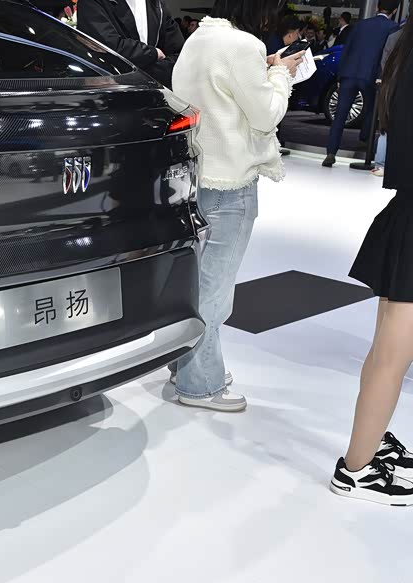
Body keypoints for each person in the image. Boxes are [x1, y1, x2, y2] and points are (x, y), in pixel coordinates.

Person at [169, 0, 304, 411]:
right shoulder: (243, 45)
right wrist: (280, 75)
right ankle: (199, 385)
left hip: (195, 178)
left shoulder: (199, 38)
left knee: (193, 285)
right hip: (231, 184)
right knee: (214, 292)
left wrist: (265, 67)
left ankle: (185, 366)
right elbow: (266, 116)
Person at [330, 17, 413, 506]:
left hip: (406, 212)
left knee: (386, 350)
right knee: (392, 357)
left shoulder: (405, 51)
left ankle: (370, 440)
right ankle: (357, 469)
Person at [322, 0, 399, 168]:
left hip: (349, 73)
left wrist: (340, 75)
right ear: (394, 11)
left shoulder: (361, 25)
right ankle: (365, 142)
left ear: (377, 7)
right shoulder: (392, 27)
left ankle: (331, 152)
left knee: (340, 115)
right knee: (372, 111)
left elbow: (347, 49)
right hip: (370, 76)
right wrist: (380, 76)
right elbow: (386, 55)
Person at [78, 0, 185, 88]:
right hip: (107, 95)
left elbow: (179, 54)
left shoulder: (157, 4)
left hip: (155, 94)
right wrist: (153, 53)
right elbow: (106, 47)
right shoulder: (93, 3)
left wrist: (148, 75)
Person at [372, 25, 404, 177]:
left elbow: (384, 61)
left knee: (385, 125)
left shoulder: (394, 36)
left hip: (389, 84)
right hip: (402, 87)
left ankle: (380, 165)